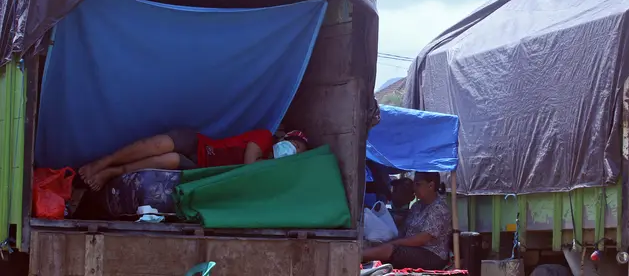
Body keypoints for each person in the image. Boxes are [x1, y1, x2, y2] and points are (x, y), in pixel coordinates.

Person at [79, 128, 308, 191]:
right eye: (294, 144)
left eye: (297, 152)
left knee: (168, 161)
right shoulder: (265, 136)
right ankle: (103, 162)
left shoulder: (267, 168)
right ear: (284, 138)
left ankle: (114, 172)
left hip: (199, 167)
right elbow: (248, 165)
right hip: (200, 145)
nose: (292, 150)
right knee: (159, 145)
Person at [362, 172, 452, 270]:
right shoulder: (416, 206)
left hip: (432, 255)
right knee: (379, 244)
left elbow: (422, 239)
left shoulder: (439, 208)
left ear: (431, 186)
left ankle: (356, 256)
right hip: (413, 249)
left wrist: (395, 243)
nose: (414, 188)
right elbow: (405, 230)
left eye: (418, 184)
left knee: (392, 250)